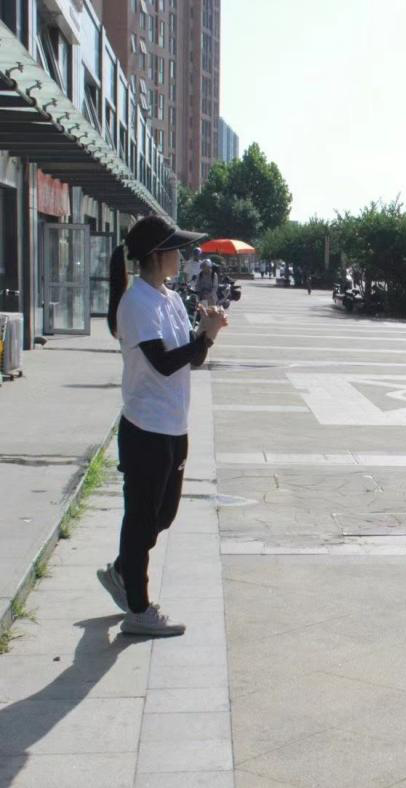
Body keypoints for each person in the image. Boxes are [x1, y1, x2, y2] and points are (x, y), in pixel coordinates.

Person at [96, 215, 228, 637]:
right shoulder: (137, 303)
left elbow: (192, 358)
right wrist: (201, 337)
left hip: (173, 424)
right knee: (140, 519)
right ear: (157, 255)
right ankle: (138, 608)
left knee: (163, 515)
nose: (182, 256)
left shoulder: (168, 298)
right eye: (176, 249)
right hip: (145, 428)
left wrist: (206, 334)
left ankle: (123, 570)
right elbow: (163, 363)